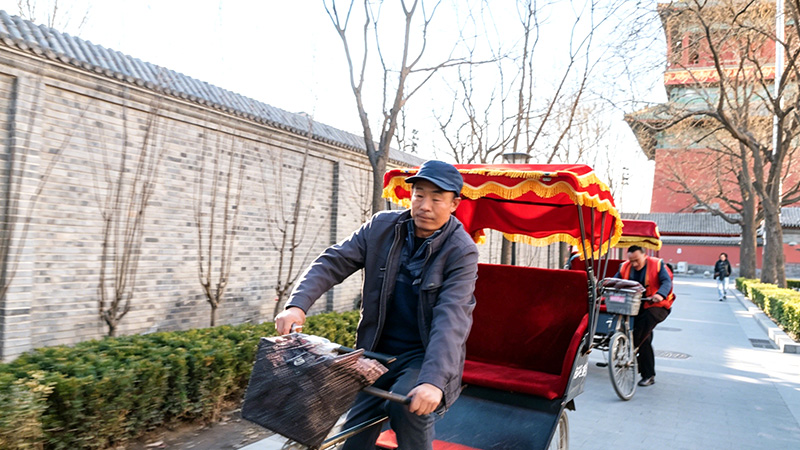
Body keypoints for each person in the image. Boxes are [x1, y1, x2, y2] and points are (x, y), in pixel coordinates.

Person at [274, 160, 479, 450]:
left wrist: (433, 381)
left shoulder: (460, 250)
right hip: (374, 352)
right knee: (353, 439)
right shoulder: (381, 227)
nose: (425, 206)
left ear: (454, 204)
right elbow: (333, 261)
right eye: (419, 195)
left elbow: (452, 318)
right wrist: (297, 305)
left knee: (407, 405)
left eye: (436, 198)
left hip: (422, 355)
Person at [614, 245, 675, 387]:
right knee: (644, 339)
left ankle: (633, 350)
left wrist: (660, 294)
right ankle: (648, 374)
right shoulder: (625, 267)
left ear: (644, 255)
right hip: (634, 306)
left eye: (637, 260)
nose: (634, 264)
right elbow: (615, 281)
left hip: (657, 305)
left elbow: (666, 282)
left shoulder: (657, 264)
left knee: (641, 330)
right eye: (631, 261)